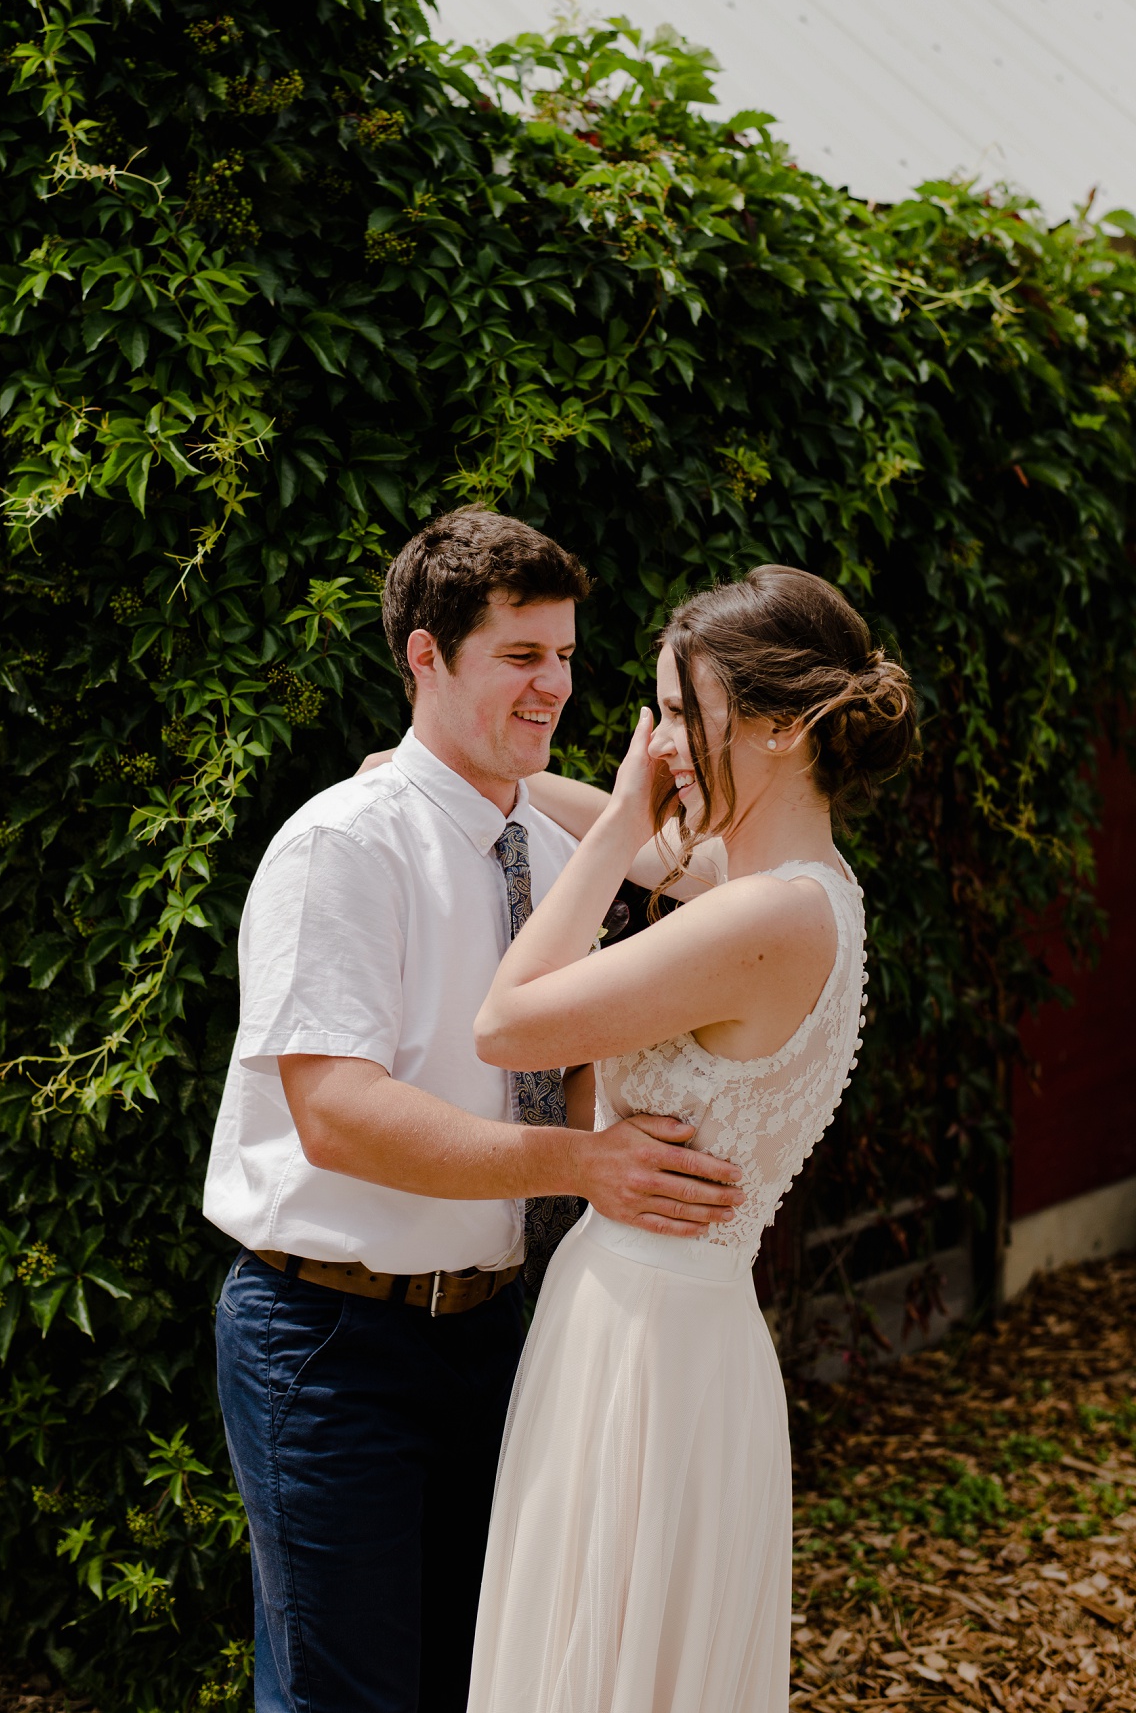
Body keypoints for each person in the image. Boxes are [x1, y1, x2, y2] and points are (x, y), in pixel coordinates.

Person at [202, 506, 745, 1713]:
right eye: (519, 656)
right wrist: (585, 1164)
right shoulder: (342, 845)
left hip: (497, 1334)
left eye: (563, 655)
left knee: (480, 1681)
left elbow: (746, 881)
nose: (554, 683)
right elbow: (336, 1113)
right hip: (330, 1341)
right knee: (342, 1697)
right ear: (424, 656)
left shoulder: (553, 859)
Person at [464, 564, 916, 1713]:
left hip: (647, 1353)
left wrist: (619, 820)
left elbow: (506, 1028)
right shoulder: (800, 885)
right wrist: (483, 785)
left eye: (676, 712)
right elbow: (661, 854)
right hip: (665, 1325)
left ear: (773, 729)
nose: (656, 746)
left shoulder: (758, 918)